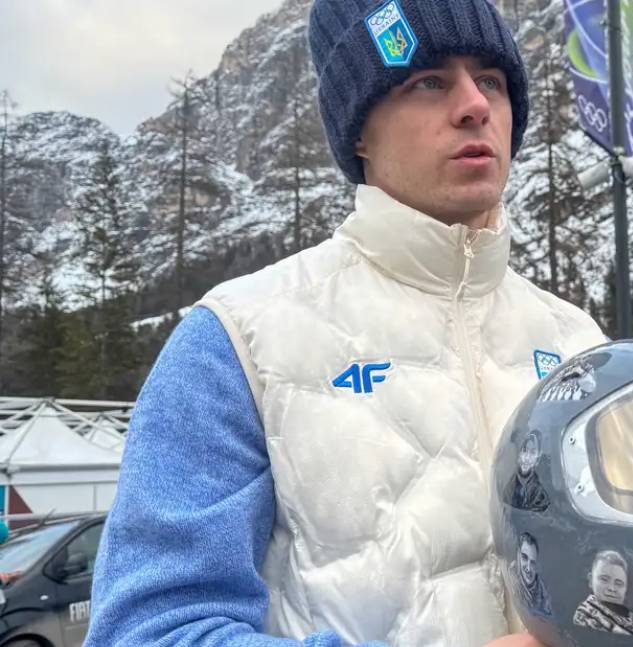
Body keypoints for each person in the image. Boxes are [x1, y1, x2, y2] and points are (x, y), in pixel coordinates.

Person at [83, 1, 606, 646]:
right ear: (359, 129)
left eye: (493, 81)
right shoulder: (238, 339)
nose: (475, 105)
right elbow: (146, 631)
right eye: (429, 81)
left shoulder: (579, 342)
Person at [572, 550, 633, 636]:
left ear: (626, 587)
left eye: (618, 583)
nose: (611, 588)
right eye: (604, 579)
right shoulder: (585, 617)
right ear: (591, 581)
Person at [505, 431, 550, 511]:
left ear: (537, 459)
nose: (527, 458)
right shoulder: (510, 484)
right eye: (525, 450)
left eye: (532, 452)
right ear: (519, 454)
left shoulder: (539, 492)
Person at [511, 533, 553, 617]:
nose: (529, 568)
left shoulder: (542, 593)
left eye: (533, 563)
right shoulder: (511, 579)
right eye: (524, 558)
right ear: (517, 555)